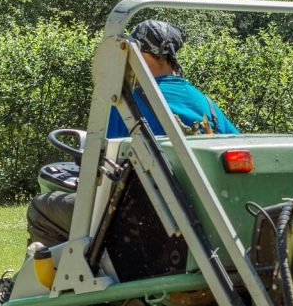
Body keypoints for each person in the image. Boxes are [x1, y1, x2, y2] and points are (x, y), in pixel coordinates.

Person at [27, 20, 238, 247]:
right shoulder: (206, 104)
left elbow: (105, 164)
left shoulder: (126, 106)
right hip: (204, 218)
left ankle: (58, 280)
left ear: (138, 53)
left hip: (142, 220)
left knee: (43, 208)